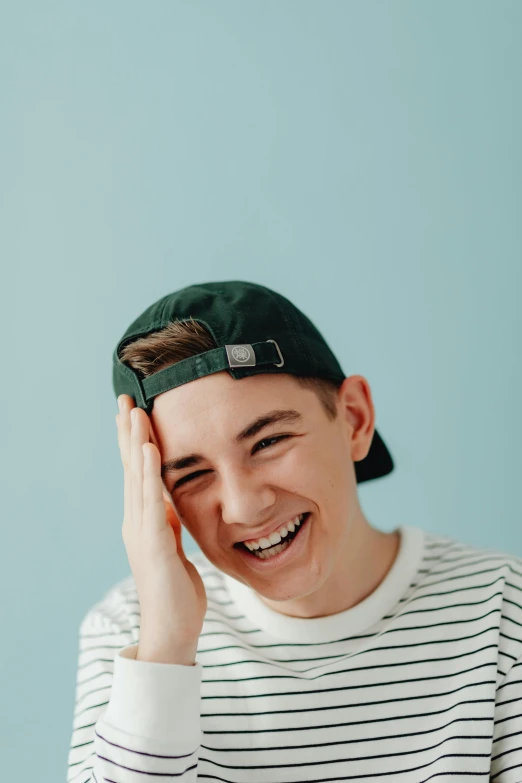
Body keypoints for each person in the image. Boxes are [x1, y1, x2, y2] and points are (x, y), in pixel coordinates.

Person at [66, 280, 522, 782]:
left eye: (268, 441)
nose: (243, 507)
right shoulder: (129, 633)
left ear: (354, 419)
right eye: (191, 475)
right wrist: (166, 650)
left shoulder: (502, 614)